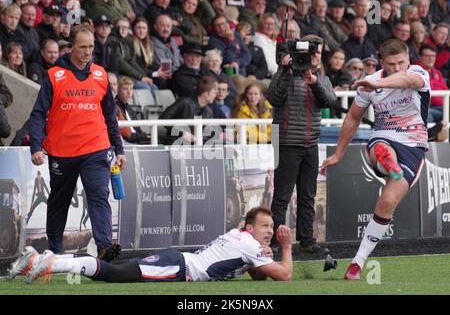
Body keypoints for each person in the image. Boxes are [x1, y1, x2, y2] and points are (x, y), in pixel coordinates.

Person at [320, 39, 431, 280]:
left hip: (414, 143)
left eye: (401, 62)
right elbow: (352, 118)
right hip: (384, 135)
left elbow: (406, 80)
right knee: (381, 146)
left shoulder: (417, 73)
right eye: (391, 64)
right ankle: (386, 161)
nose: (398, 68)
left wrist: (377, 82)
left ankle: (357, 264)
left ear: (408, 59)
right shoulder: (368, 86)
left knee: (387, 203)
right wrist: (338, 154)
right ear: (382, 62)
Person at [28, 25, 126, 260]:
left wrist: (119, 148)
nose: (87, 51)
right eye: (82, 47)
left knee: (98, 195)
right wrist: (36, 146)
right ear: (71, 46)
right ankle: (55, 249)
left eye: (91, 46)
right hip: (63, 151)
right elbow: (39, 113)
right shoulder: (54, 75)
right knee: (59, 200)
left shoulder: (101, 75)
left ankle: (104, 247)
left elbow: (110, 116)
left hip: (96, 147)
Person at [7, 206, 293, 284]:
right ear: (249, 227)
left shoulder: (240, 236)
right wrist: (286, 247)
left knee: (115, 271)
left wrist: (263, 253)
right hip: (180, 268)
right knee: (114, 274)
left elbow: (258, 271)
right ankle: (52, 262)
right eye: (265, 226)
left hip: (178, 261)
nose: (270, 231)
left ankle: (39, 259)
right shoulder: (248, 244)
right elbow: (284, 275)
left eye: (271, 227)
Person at [267, 34, 337, 254]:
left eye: (317, 53)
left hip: (311, 143)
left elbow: (329, 101)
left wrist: (314, 82)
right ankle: (273, 241)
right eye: (310, 53)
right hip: (285, 142)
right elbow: (273, 98)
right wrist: (285, 71)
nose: (314, 57)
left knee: (308, 195)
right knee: (282, 196)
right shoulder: (283, 74)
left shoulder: (321, 79)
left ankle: (307, 240)